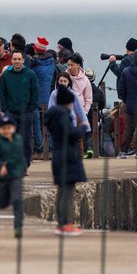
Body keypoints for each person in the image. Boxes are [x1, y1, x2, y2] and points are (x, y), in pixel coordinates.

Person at [45, 86, 86, 236]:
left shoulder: (53, 116)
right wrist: (81, 130)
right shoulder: (63, 116)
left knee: (62, 192)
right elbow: (68, 134)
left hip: (58, 156)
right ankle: (66, 224)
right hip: (67, 157)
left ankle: (62, 224)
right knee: (67, 193)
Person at [0, 112, 26, 238]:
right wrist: (0, 166)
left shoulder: (18, 140)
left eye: (9, 128)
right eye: (4, 128)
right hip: (2, 176)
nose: (7, 131)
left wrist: (23, 168)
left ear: (14, 128)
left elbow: (21, 156)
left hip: (16, 175)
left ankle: (18, 226)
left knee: (17, 199)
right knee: (4, 202)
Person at [0, 50, 38, 167]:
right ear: (11, 60)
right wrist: (5, 109)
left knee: (25, 140)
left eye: (19, 59)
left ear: (23, 60)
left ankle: (25, 165)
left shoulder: (30, 74)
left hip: (26, 112)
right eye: (15, 59)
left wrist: (31, 108)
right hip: (11, 112)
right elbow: (2, 92)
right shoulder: (6, 75)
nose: (17, 61)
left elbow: (34, 92)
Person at [30, 38, 58, 156]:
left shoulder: (34, 64)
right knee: (48, 123)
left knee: (36, 123)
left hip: (36, 98)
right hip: (48, 97)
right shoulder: (51, 62)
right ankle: (50, 148)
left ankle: (40, 149)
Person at [66, 54, 95, 158]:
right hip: (67, 109)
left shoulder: (85, 80)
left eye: (72, 65)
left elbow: (88, 99)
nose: (69, 67)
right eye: (68, 65)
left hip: (81, 109)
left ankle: (88, 149)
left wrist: (85, 111)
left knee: (85, 129)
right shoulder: (64, 77)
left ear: (78, 65)